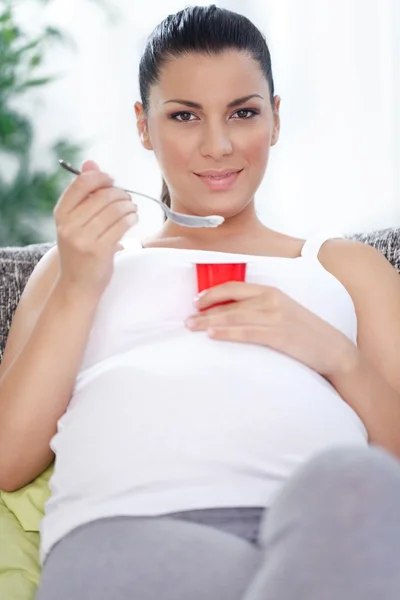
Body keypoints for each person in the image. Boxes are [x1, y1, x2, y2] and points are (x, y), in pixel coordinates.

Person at [0, 5, 400, 599]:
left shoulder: (346, 267)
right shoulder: (77, 262)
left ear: (276, 118)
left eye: (243, 113)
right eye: (185, 116)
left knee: (354, 481)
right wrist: (82, 284)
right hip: (129, 531)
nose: (217, 145)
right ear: (143, 125)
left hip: (328, 530)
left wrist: (336, 355)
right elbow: (8, 458)